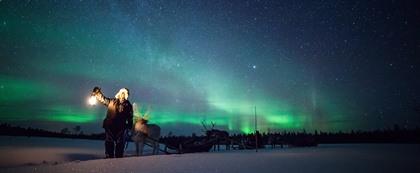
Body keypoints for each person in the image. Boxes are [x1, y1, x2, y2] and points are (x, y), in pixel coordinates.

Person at [92, 87, 133, 158]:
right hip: (110, 126)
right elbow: (103, 99)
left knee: (120, 144)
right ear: (119, 94)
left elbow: (130, 117)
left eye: (125, 94)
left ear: (126, 95)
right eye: (122, 93)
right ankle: (109, 157)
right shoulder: (111, 101)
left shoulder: (128, 105)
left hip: (121, 128)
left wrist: (129, 126)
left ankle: (119, 158)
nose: (123, 95)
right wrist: (98, 93)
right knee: (109, 142)